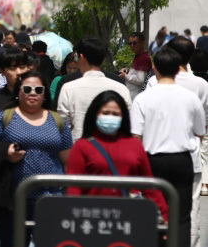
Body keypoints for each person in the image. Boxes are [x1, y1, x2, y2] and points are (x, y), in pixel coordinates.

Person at [0, 72, 72, 247]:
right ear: (18, 93)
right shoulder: (3, 117)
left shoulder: (58, 121)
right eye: (27, 89)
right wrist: (4, 152)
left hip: (50, 199)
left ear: (44, 94)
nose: (32, 93)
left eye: (38, 89)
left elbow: (67, 161)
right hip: (12, 199)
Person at [131, 48, 205, 247]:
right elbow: (200, 131)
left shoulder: (142, 98)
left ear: (154, 68)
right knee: (181, 216)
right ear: (178, 70)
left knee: (153, 212)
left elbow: (135, 136)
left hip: (152, 160)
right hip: (182, 160)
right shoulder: (190, 98)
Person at [66, 90, 168, 221]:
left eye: (115, 114)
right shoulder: (82, 146)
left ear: (123, 117)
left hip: (130, 218)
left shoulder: (134, 145)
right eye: (105, 113)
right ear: (95, 114)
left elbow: (149, 186)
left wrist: (165, 217)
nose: (110, 117)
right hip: (92, 217)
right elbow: (73, 189)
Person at [57, 37, 131, 141]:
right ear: (104, 59)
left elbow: (63, 127)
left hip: (79, 149)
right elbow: (128, 123)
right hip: (113, 150)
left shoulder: (68, 88)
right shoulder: (121, 88)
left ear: (81, 57)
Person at [119, 31, 152, 101]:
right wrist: (128, 70)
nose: (132, 46)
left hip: (135, 95)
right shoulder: (138, 55)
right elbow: (136, 73)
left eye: (135, 43)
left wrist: (125, 76)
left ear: (143, 43)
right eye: (130, 43)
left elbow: (140, 80)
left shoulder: (143, 58)